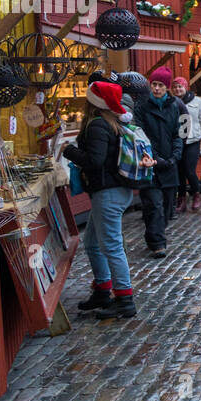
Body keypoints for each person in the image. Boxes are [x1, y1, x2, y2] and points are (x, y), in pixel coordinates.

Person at [64, 81, 151, 320]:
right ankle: (103, 290)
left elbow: (94, 161)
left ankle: (125, 299)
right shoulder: (114, 123)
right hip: (116, 190)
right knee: (92, 242)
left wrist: (68, 150)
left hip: (108, 192)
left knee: (111, 246)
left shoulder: (98, 126)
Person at [135, 66, 184, 257]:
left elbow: (177, 134)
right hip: (150, 164)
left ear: (167, 88)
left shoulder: (174, 106)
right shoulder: (142, 107)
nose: (156, 88)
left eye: (160, 85)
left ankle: (154, 234)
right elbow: (141, 136)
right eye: (154, 84)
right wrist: (155, 158)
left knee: (166, 206)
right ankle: (158, 243)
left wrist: (174, 156)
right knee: (153, 205)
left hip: (169, 164)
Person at [171, 74, 201, 214]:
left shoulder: (197, 101)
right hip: (176, 140)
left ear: (186, 87)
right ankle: (181, 199)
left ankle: (196, 193)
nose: (178, 89)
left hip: (192, 140)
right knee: (179, 172)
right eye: (175, 87)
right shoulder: (171, 102)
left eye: (180, 86)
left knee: (189, 170)